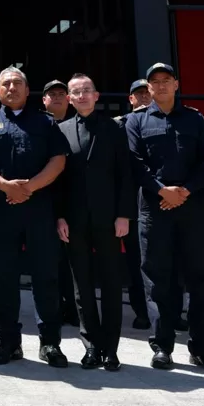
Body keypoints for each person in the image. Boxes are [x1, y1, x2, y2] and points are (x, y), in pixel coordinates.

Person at [125, 62, 204, 372]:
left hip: (190, 207)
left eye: (167, 80)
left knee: (198, 278)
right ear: (149, 88)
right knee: (157, 280)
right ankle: (162, 346)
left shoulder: (194, 119)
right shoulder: (136, 121)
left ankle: (201, 348)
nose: (161, 85)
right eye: (155, 82)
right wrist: (161, 191)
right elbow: (134, 163)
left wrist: (184, 191)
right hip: (154, 211)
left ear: (176, 84)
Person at [0, 66, 69, 367]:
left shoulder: (46, 122)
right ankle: (9, 342)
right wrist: (4, 187)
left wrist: (29, 188)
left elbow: (58, 161)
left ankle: (50, 343)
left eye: (17, 83)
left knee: (46, 278)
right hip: (0, 210)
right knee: (4, 278)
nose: (11, 88)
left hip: (38, 208)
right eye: (5, 84)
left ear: (28, 91)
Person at [55, 74, 134, 371]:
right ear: (70, 99)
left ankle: (111, 349)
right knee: (82, 286)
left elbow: (126, 174)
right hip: (74, 221)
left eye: (87, 90)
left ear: (97, 95)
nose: (83, 95)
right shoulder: (60, 131)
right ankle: (91, 346)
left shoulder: (115, 129)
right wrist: (59, 216)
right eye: (77, 92)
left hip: (110, 220)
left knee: (112, 284)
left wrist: (124, 214)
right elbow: (58, 181)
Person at [115, 78, 155, 330]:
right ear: (130, 99)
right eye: (137, 94)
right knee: (135, 261)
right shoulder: (119, 125)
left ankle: (169, 310)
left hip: (154, 198)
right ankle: (141, 311)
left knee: (162, 259)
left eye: (146, 93)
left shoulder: (162, 121)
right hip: (129, 202)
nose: (143, 98)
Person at [43, 79, 78, 327]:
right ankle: (52, 309)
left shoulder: (78, 127)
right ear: (43, 100)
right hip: (44, 202)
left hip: (73, 203)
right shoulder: (39, 127)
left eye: (61, 94)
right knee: (48, 262)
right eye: (51, 94)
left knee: (72, 263)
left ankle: (73, 309)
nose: (56, 97)